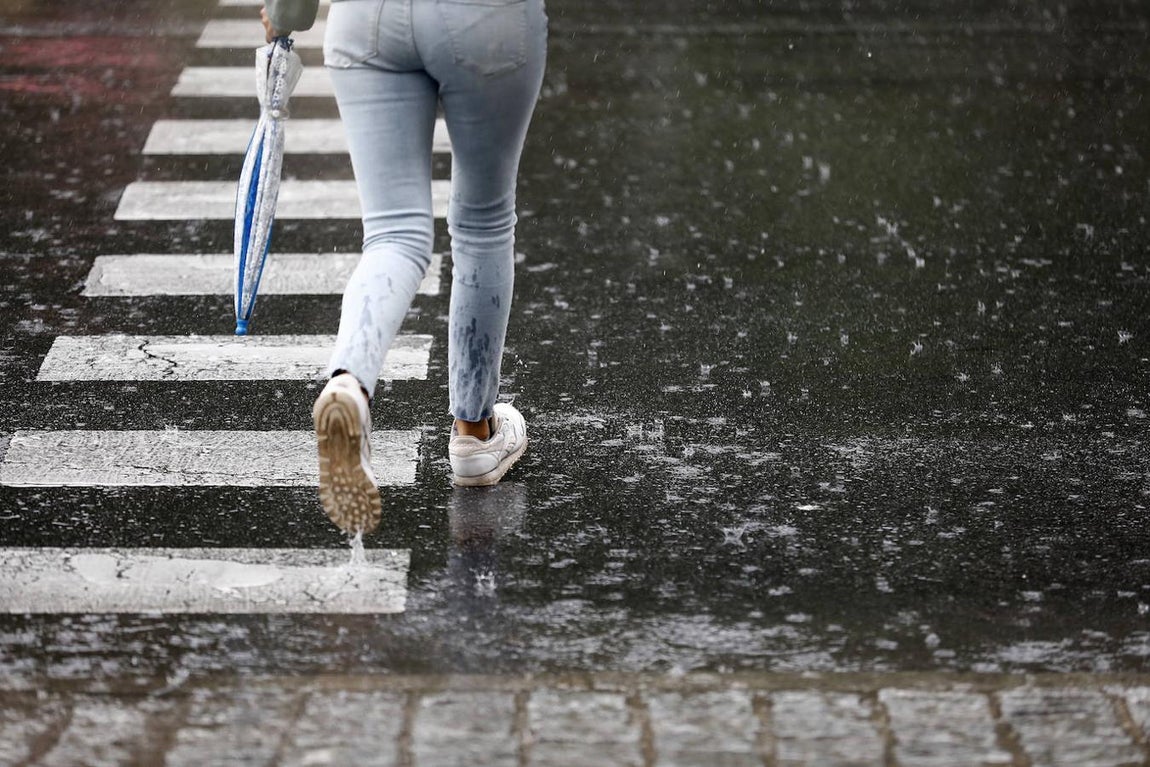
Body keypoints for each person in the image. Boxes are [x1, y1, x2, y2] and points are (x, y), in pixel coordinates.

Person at [261, 0, 546, 534]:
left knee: (393, 234)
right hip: (486, 20)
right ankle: (474, 435)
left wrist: (286, 14)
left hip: (367, 20)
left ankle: (348, 385)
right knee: (483, 224)